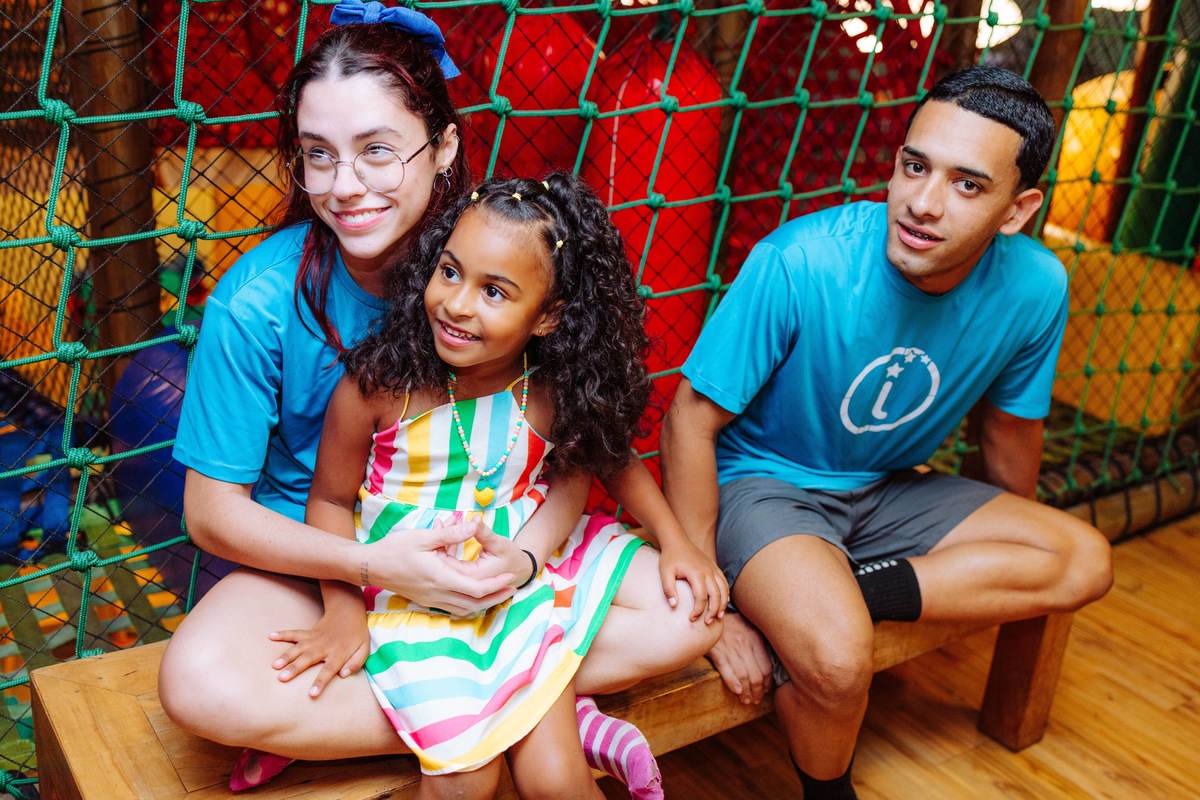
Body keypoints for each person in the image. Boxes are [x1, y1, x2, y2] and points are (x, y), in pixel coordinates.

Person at [159, 2, 722, 794]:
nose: (344, 185)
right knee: (198, 684)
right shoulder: (255, 301)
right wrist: (365, 568)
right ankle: (505, 704)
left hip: (487, 540)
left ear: (444, 145)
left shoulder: (501, 247)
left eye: (377, 151)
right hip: (318, 552)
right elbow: (211, 513)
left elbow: (573, 435)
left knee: (681, 619)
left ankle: (455, 708)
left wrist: (525, 556)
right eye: (318, 155)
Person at [660, 65, 1114, 799]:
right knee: (838, 663)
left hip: (889, 490)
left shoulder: (1036, 286)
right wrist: (713, 608)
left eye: (967, 185)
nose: (924, 204)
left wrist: (1003, 549)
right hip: (767, 485)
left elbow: (1008, 436)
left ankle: (842, 596)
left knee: (1081, 559)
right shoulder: (799, 260)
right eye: (915, 166)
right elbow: (687, 421)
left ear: (1017, 209)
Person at [273, 172, 726, 800]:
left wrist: (674, 541)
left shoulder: (549, 383)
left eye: (495, 291)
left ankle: (539, 698)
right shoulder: (379, 386)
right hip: (422, 593)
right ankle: (546, 702)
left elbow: (593, 462)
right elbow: (327, 500)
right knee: (471, 782)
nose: (457, 304)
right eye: (451, 272)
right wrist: (345, 611)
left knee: (688, 626)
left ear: (547, 317)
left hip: (527, 565)